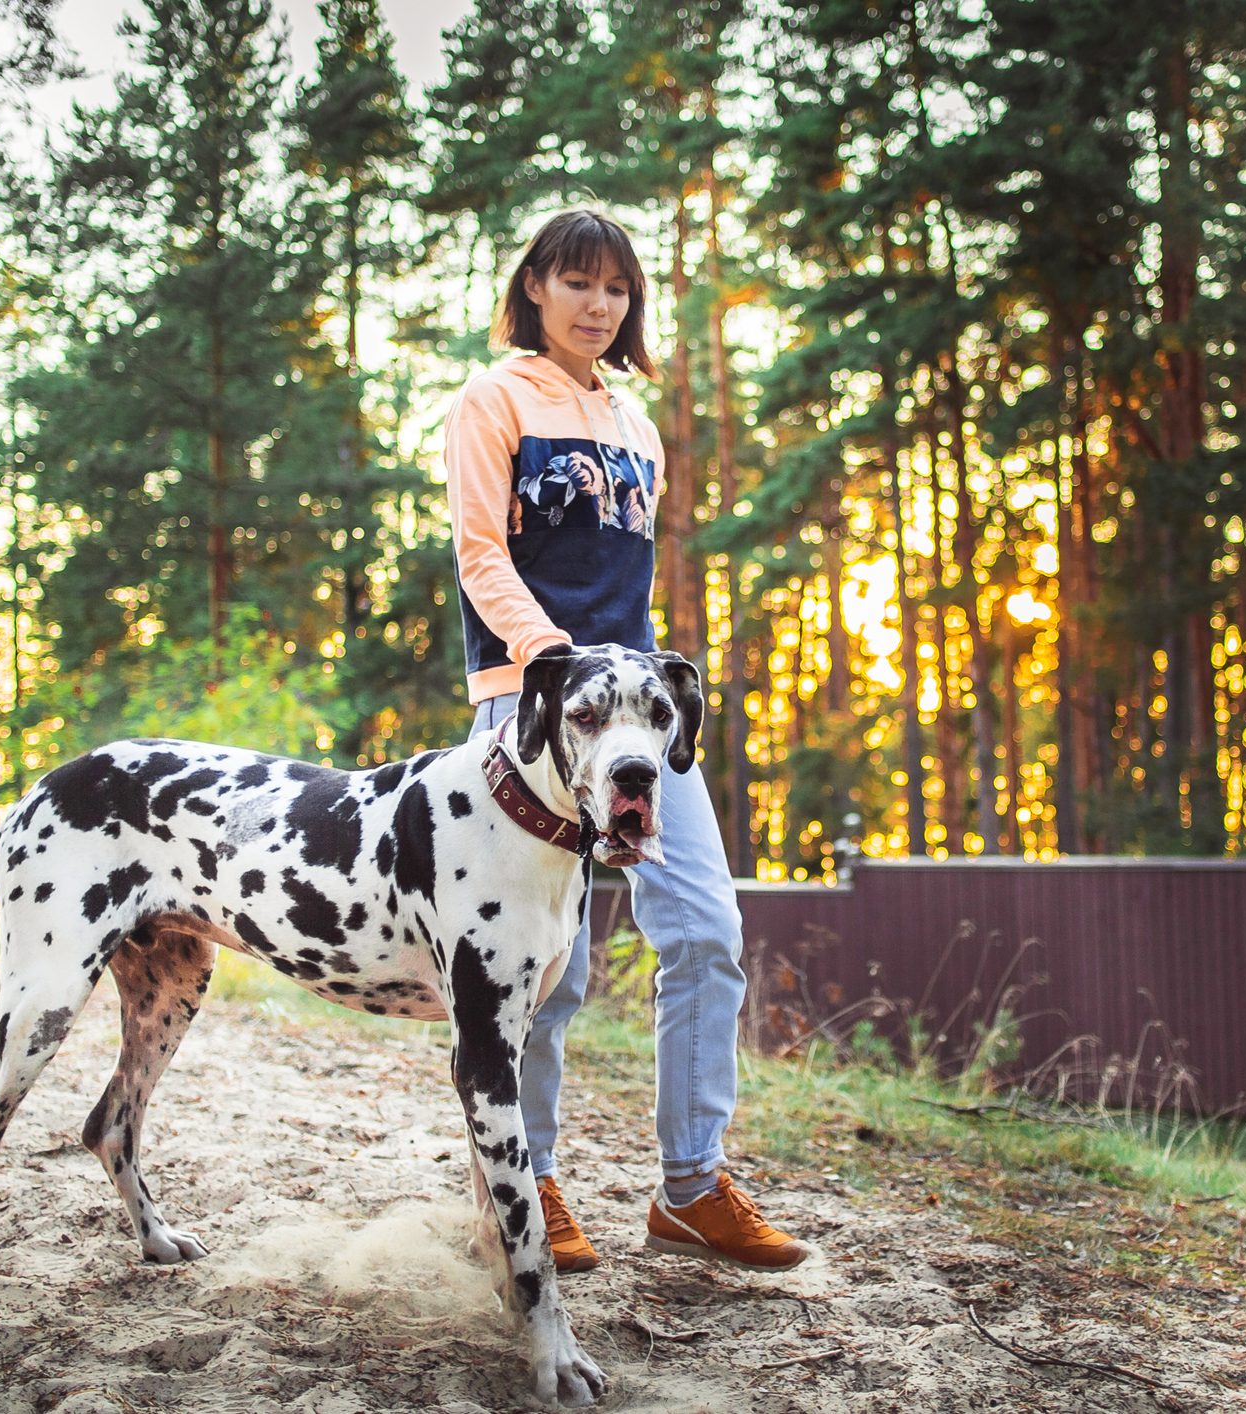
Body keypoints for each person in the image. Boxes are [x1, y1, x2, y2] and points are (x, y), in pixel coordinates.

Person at [441, 208, 807, 1273]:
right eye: (578, 284)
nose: (599, 306)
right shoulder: (493, 397)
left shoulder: (638, 425)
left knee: (704, 926)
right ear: (536, 289)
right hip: (535, 706)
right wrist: (558, 666)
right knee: (547, 969)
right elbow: (478, 553)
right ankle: (530, 1183)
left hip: (640, 719)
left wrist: (641, 688)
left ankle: (692, 1184)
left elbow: (632, 585)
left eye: (616, 290)